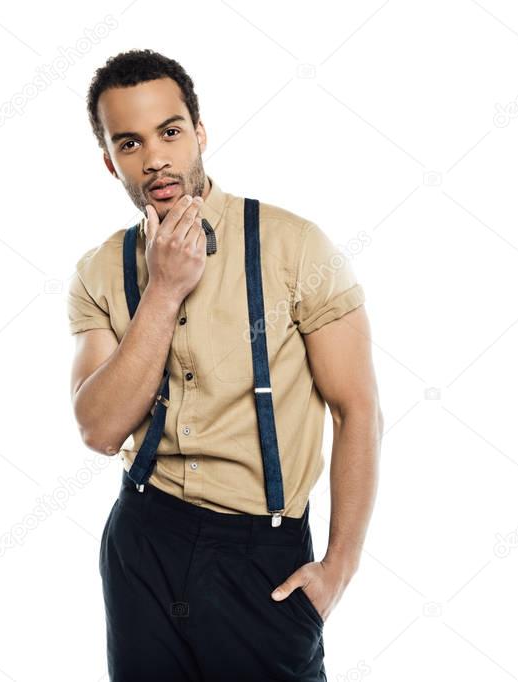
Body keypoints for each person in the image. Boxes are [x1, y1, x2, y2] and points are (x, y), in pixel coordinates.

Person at [68, 49, 382, 681]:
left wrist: (339, 567)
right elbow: (100, 431)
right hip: (144, 537)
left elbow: (359, 409)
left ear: (200, 131)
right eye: (129, 143)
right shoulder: (99, 270)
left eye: (171, 132)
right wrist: (162, 291)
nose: (154, 157)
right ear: (109, 160)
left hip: (260, 552)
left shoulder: (295, 246)